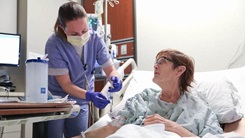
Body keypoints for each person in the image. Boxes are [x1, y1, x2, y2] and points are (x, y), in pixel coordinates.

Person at [81, 48, 223, 138]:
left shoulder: (200, 109)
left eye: (162, 61)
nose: (155, 65)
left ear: (179, 70)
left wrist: (174, 128)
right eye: (156, 61)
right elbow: (113, 127)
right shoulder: (143, 98)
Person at [44, 1, 122, 138]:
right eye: (74, 33)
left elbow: (110, 69)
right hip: (56, 101)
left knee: (79, 135)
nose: (81, 36)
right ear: (63, 28)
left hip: (81, 101)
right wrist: (90, 95)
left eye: (84, 30)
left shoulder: (95, 39)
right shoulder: (54, 44)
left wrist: (115, 77)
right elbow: (66, 84)